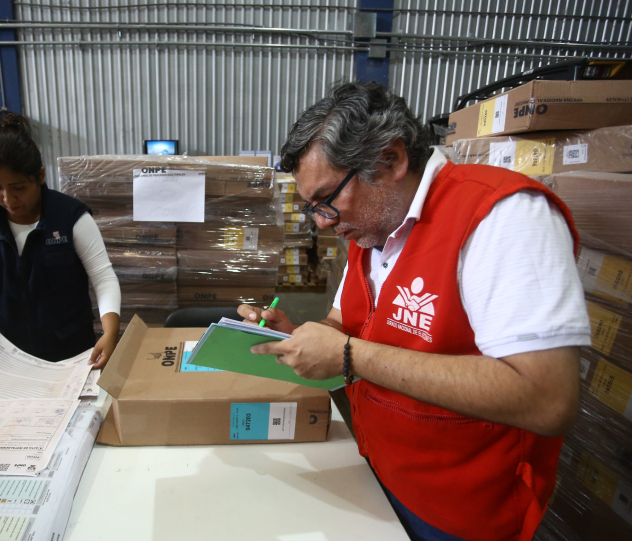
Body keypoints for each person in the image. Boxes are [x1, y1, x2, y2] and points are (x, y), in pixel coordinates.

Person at [238, 81, 590, 541]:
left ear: (391, 160)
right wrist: (302, 336)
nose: (323, 221)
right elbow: (346, 326)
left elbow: (547, 399)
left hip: (460, 510)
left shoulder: (502, 217)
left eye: (328, 198)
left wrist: (348, 355)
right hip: (377, 473)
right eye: (312, 208)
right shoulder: (372, 229)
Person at [0, 114, 121, 366]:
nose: (8, 199)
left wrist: (110, 333)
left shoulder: (70, 217)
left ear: (40, 176)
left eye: (18, 188)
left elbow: (103, 277)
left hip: (67, 351)